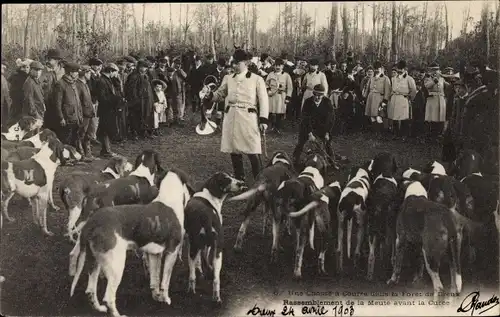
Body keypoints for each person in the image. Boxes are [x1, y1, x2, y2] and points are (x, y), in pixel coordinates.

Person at [206, 48, 269, 182]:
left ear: (246, 63)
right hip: (232, 117)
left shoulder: (256, 79)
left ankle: (260, 180)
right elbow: (220, 94)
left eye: (237, 63)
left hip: (248, 118)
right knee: (234, 149)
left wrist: (264, 120)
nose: (234, 66)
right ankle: (240, 178)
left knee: (252, 149)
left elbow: (263, 100)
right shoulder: (228, 78)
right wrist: (209, 94)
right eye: (233, 63)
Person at [292, 84, 336, 167]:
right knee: (301, 143)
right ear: (313, 93)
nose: (318, 97)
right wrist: (309, 133)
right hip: (308, 127)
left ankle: (332, 161)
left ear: (323, 95)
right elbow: (305, 119)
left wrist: (327, 132)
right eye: (316, 95)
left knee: (327, 144)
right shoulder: (308, 102)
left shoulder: (327, 102)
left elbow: (331, 119)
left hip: (322, 128)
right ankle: (295, 160)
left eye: (320, 95)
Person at [53, 62, 83, 147]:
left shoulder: (73, 83)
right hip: (67, 118)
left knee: (74, 139)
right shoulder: (60, 84)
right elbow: (57, 103)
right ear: (71, 72)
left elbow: (77, 102)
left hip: (74, 117)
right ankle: (66, 158)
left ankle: (73, 158)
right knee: (65, 140)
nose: (77, 74)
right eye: (76, 72)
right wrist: (61, 117)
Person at [95, 63, 122, 157]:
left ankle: (106, 150)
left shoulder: (108, 80)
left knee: (105, 129)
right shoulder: (102, 81)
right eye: (115, 72)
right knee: (105, 130)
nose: (116, 74)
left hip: (108, 109)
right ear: (110, 71)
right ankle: (106, 151)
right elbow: (102, 98)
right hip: (105, 109)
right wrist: (115, 99)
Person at [387, 60, 417, 140]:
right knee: (394, 117)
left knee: (404, 117)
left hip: (403, 98)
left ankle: (404, 135)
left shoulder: (409, 79)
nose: (399, 70)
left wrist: (410, 98)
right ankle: (396, 134)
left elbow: (413, 90)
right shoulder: (394, 78)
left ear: (405, 69)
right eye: (398, 69)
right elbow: (391, 89)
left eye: (401, 69)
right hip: (394, 98)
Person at [125, 59, 155, 139]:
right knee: (135, 116)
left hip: (146, 100)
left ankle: (144, 132)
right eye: (144, 67)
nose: (145, 69)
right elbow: (131, 89)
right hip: (138, 100)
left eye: (146, 67)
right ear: (139, 67)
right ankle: (134, 133)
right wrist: (135, 99)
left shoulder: (146, 75)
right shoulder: (134, 76)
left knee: (145, 115)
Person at [266, 58, 293, 134]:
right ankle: (271, 127)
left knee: (280, 111)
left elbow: (290, 87)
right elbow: (266, 84)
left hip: (281, 95)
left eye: (280, 66)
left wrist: (288, 97)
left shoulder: (286, 75)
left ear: (282, 66)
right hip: (271, 95)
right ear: (274, 66)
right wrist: (268, 90)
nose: (278, 67)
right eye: (276, 65)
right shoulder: (271, 74)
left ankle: (278, 128)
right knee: (270, 111)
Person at [75, 65, 96, 161]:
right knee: (81, 134)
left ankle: (88, 153)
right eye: (89, 73)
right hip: (83, 114)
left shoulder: (85, 84)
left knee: (88, 134)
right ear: (84, 73)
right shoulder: (78, 85)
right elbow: (78, 101)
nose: (90, 75)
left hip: (89, 113)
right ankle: (81, 155)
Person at [364, 61, 391, 135]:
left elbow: (387, 91)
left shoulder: (386, 78)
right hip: (371, 98)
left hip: (379, 99)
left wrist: (384, 101)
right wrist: (365, 97)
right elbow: (367, 88)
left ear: (381, 68)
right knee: (372, 116)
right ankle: (375, 132)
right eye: (375, 69)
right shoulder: (372, 78)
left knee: (379, 116)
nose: (376, 70)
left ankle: (381, 133)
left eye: (378, 69)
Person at [424, 62, 449, 138]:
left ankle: (440, 134)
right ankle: (432, 134)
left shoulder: (442, 78)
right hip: (432, 99)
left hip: (441, 99)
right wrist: (435, 80)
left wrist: (452, 80)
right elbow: (427, 86)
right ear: (430, 70)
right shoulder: (427, 78)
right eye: (433, 70)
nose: (435, 71)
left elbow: (447, 86)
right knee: (433, 117)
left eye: (437, 70)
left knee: (441, 117)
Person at [41, 49, 65, 130]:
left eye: (50, 59)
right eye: (47, 58)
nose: (47, 61)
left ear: (57, 60)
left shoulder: (63, 71)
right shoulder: (43, 71)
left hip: (60, 104)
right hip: (47, 104)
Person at [7, 58, 31, 123]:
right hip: (18, 99)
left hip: (19, 99)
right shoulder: (18, 75)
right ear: (20, 67)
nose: (26, 69)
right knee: (17, 116)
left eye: (27, 67)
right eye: (24, 67)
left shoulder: (27, 76)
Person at [165, 62, 188, 127]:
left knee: (177, 107)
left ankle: (177, 120)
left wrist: (179, 93)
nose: (171, 73)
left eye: (172, 72)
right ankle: (170, 121)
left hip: (177, 94)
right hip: (170, 95)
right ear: (167, 72)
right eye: (169, 72)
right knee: (170, 108)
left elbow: (179, 85)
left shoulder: (176, 77)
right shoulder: (166, 78)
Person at [1, 59, 11, 127]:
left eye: (5, 67)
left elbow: (6, 93)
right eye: (3, 66)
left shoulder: (3, 78)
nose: (4, 68)